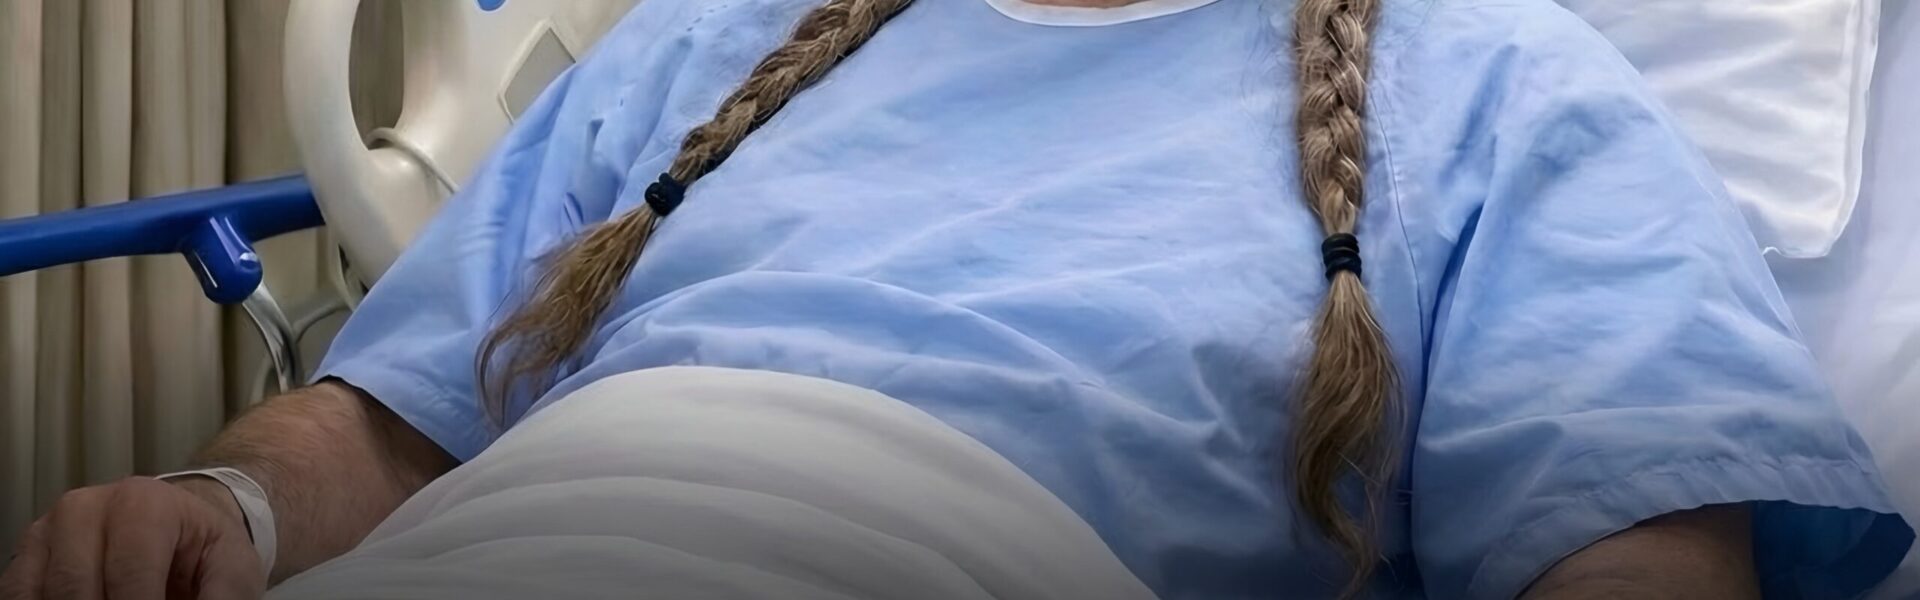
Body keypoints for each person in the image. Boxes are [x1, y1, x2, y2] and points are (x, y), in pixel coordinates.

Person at [3, 0, 1912, 597]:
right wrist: (224, 505)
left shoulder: (1504, 87)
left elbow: (1640, 566)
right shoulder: (714, 43)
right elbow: (392, 426)